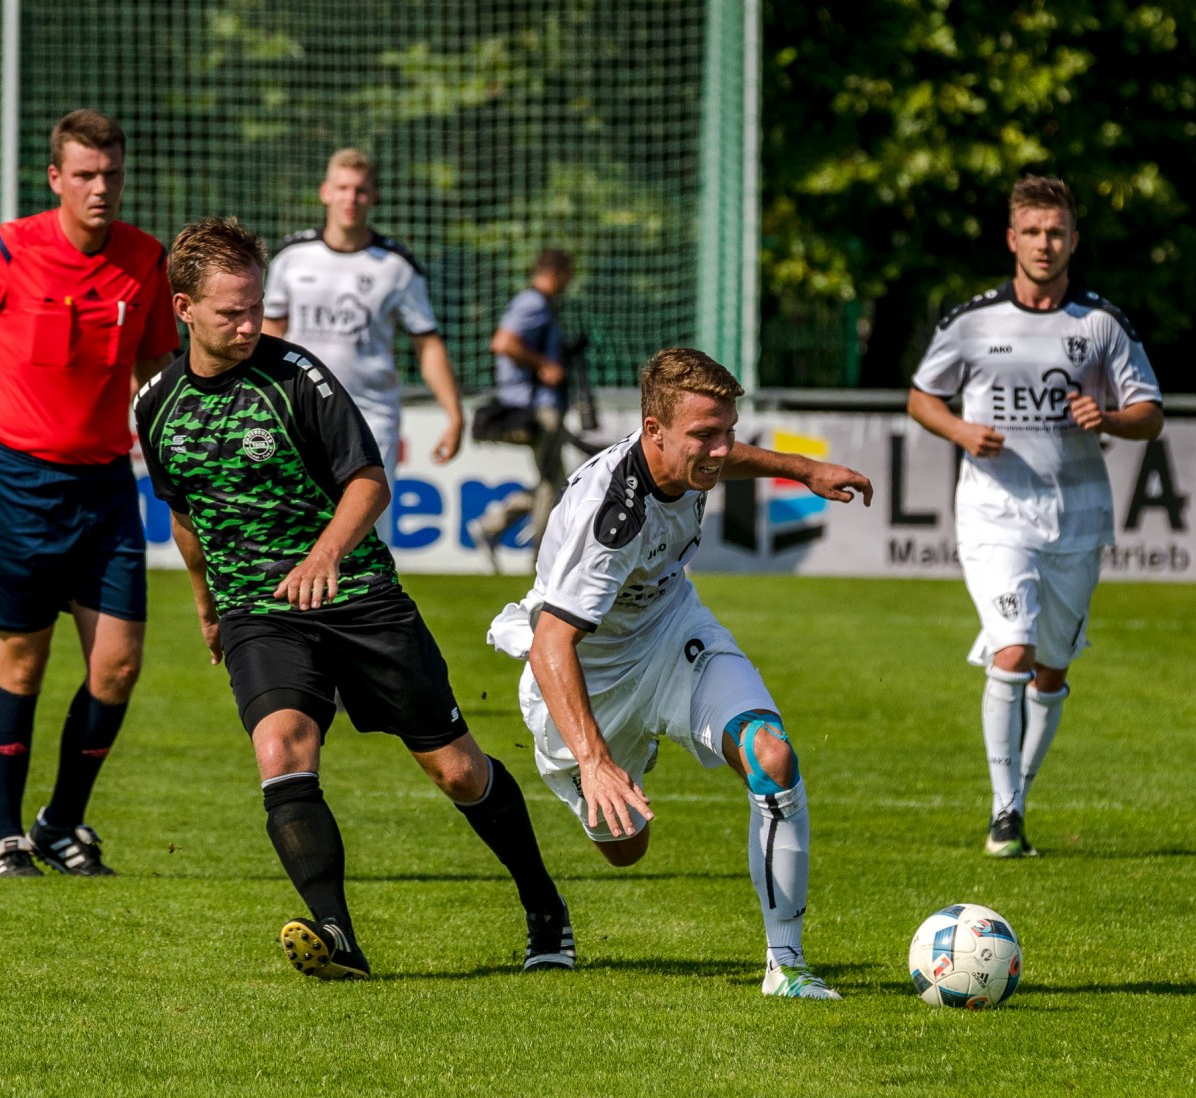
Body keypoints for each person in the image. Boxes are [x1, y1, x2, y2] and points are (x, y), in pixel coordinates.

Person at [135, 216, 572, 981]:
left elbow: (368, 481)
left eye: (255, 307)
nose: (249, 324)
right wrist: (206, 604)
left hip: (358, 595)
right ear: (183, 308)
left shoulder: (296, 376)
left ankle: (544, 907)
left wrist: (324, 555)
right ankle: (338, 938)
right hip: (256, 608)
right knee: (281, 749)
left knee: (458, 771)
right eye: (231, 311)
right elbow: (183, 513)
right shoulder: (156, 405)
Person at [487, 347, 873, 999]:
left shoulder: (692, 459)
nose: (721, 450)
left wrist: (803, 468)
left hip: (671, 631)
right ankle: (618, 761)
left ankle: (788, 966)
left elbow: (731, 455)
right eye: (704, 435)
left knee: (772, 758)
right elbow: (552, 644)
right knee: (624, 847)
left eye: (727, 431)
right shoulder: (615, 516)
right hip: (591, 673)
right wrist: (593, 758)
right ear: (653, 430)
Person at [0, 109, 179, 878]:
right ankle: (3, 835)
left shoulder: (145, 261)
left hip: (107, 486)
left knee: (117, 665)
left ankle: (63, 821)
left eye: (112, 174)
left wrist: (173, 452)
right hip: (18, 479)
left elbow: (158, 368)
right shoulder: (4, 252)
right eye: (85, 175)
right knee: (21, 658)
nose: (101, 189)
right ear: (54, 179)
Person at [906, 175, 1164, 858]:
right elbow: (921, 397)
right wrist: (961, 433)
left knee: (1050, 668)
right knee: (1011, 648)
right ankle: (1004, 812)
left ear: (1073, 240)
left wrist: (1105, 417)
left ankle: (1018, 793)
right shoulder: (973, 321)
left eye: (1056, 232)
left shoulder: (1101, 324)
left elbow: (1150, 414)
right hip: (993, 510)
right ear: (1011, 239)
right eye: (1032, 231)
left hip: (1077, 516)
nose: (1044, 244)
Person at [263, 148, 463, 542]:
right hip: (300, 412)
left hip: (370, 418)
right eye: (342, 188)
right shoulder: (292, 256)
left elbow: (427, 344)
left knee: (366, 536)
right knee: (296, 530)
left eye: (360, 190)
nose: (350, 199)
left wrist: (455, 415)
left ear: (374, 197)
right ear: (325, 192)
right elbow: (269, 331)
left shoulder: (396, 266)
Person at [467, 249, 576, 570]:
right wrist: (545, 365)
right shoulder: (533, 303)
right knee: (551, 483)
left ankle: (493, 525)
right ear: (557, 273)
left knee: (555, 481)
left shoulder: (540, 305)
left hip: (539, 405)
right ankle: (541, 558)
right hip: (536, 408)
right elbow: (503, 342)